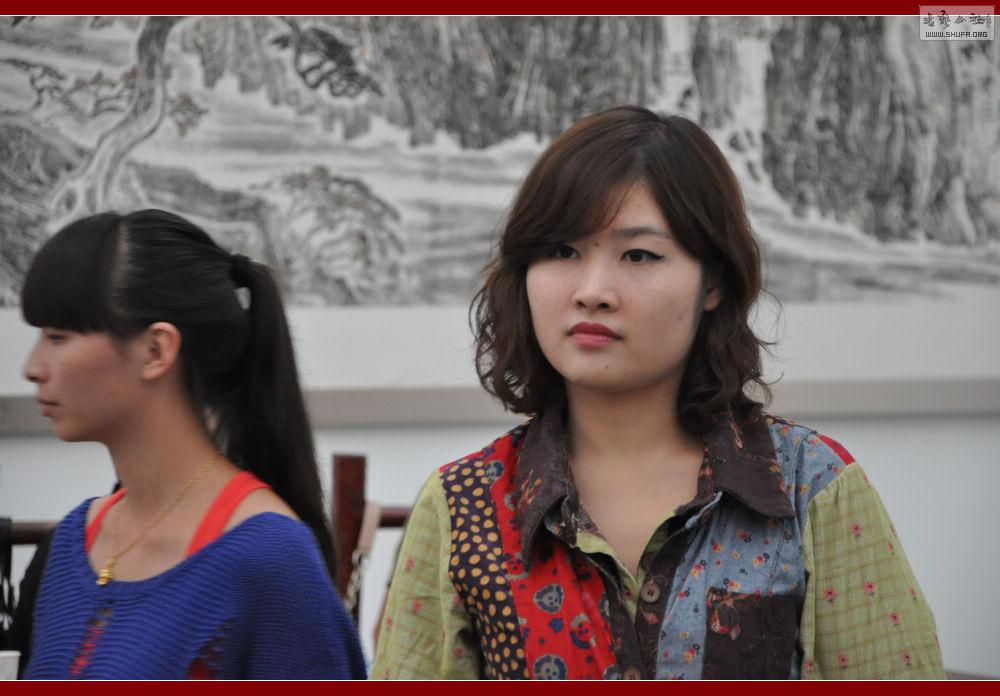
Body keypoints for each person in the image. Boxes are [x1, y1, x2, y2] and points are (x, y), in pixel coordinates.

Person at [371, 106, 945, 679]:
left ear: (713, 282)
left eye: (639, 255)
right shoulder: (463, 504)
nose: (593, 291)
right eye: (563, 251)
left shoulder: (810, 487)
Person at [19, 209, 366, 679]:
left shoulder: (268, 559)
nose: (33, 367)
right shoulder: (73, 544)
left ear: (156, 350)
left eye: (58, 337)